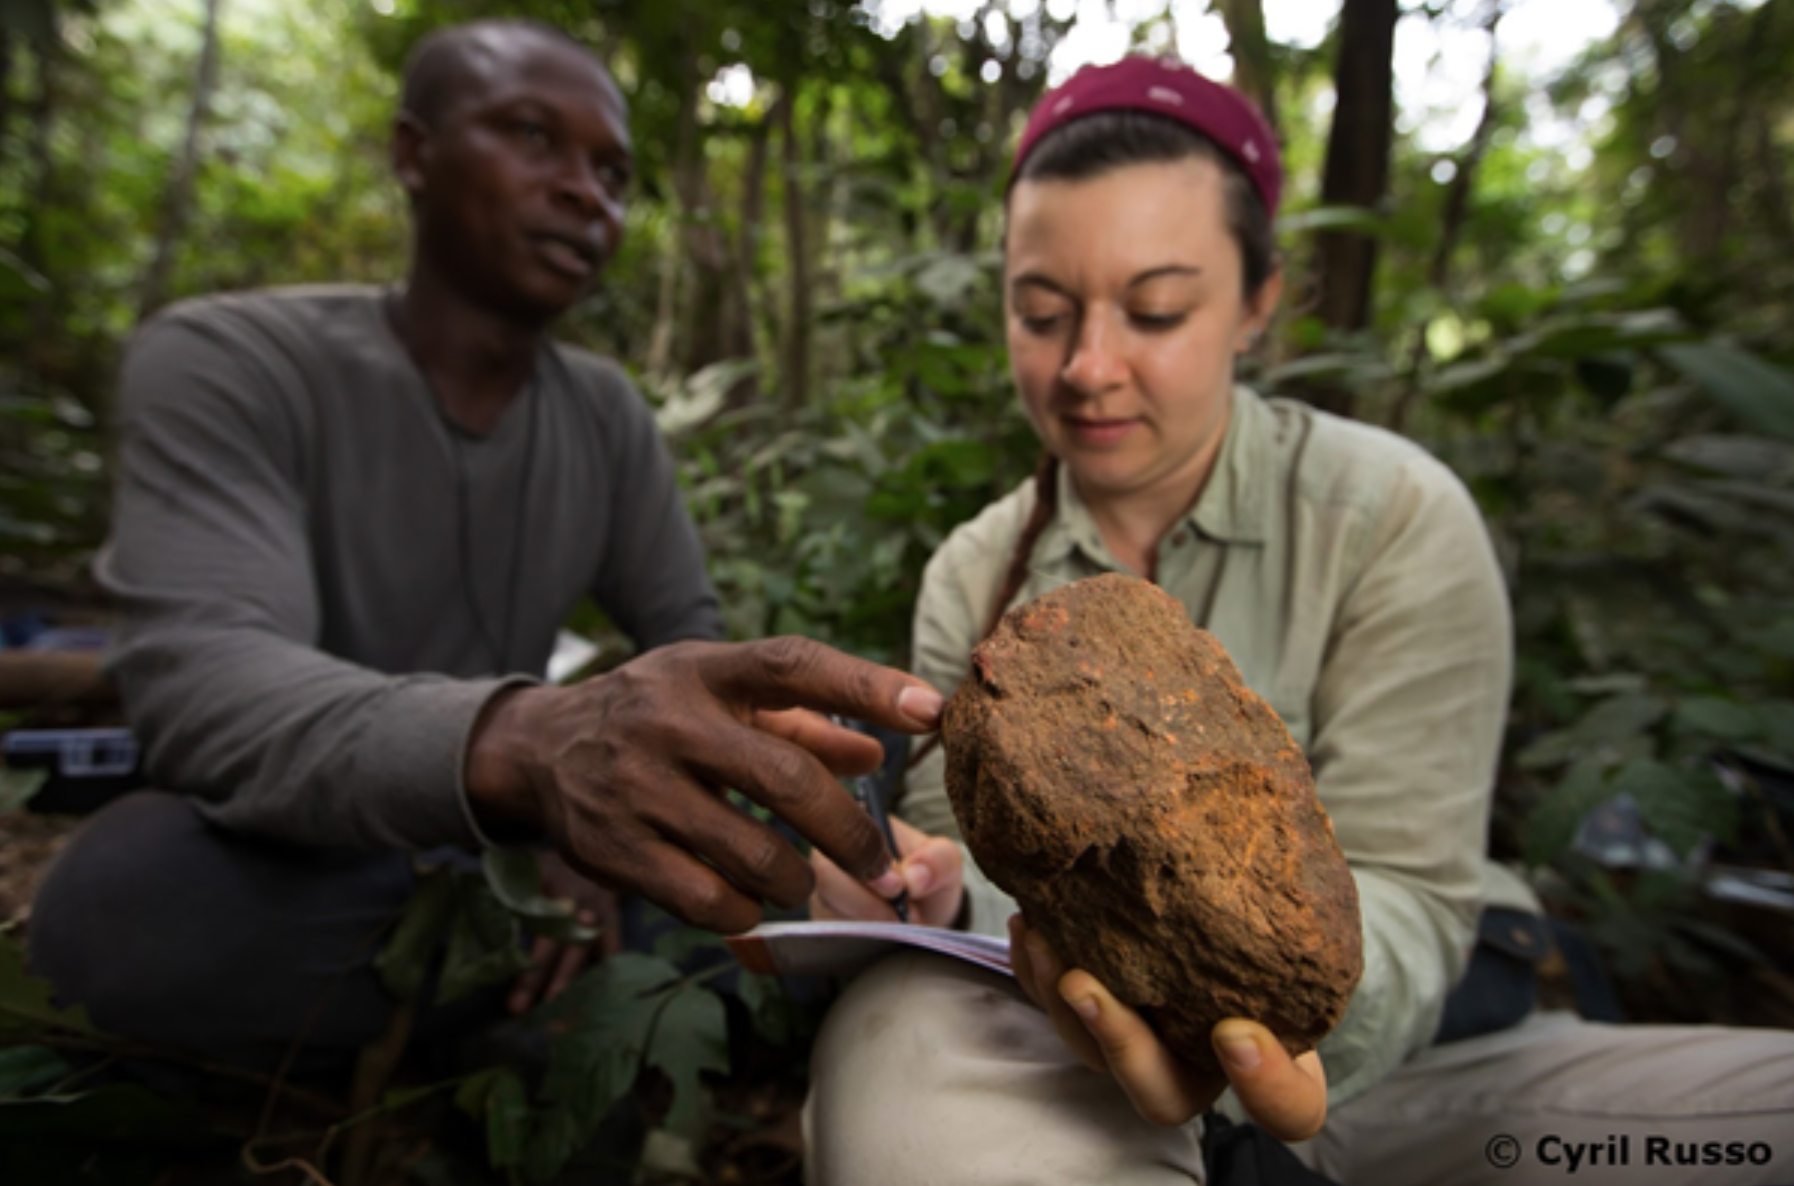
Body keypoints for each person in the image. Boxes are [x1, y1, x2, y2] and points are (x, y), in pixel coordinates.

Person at [803, 56, 1794, 1186]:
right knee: (909, 1080)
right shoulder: (978, 573)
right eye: (1041, 313)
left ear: (1260, 303)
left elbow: (1416, 893)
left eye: (1157, 309)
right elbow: (984, 886)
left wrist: (1262, 1026)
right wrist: (926, 881)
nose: (1087, 366)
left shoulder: (1391, 516)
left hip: (1418, 1062)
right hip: (1073, 1057)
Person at [27, 18, 926, 1076]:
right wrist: (535, 752)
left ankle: (532, 1009)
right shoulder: (235, 362)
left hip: (544, 862)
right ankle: (554, 1026)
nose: (584, 191)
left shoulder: (603, 414)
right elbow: (205, 685)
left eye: (612, 171)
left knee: (862, 744)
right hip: (328, 861)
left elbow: (688, 631)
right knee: (119, 905)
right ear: (413, 153)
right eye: (534, 137)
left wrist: (605, 826)